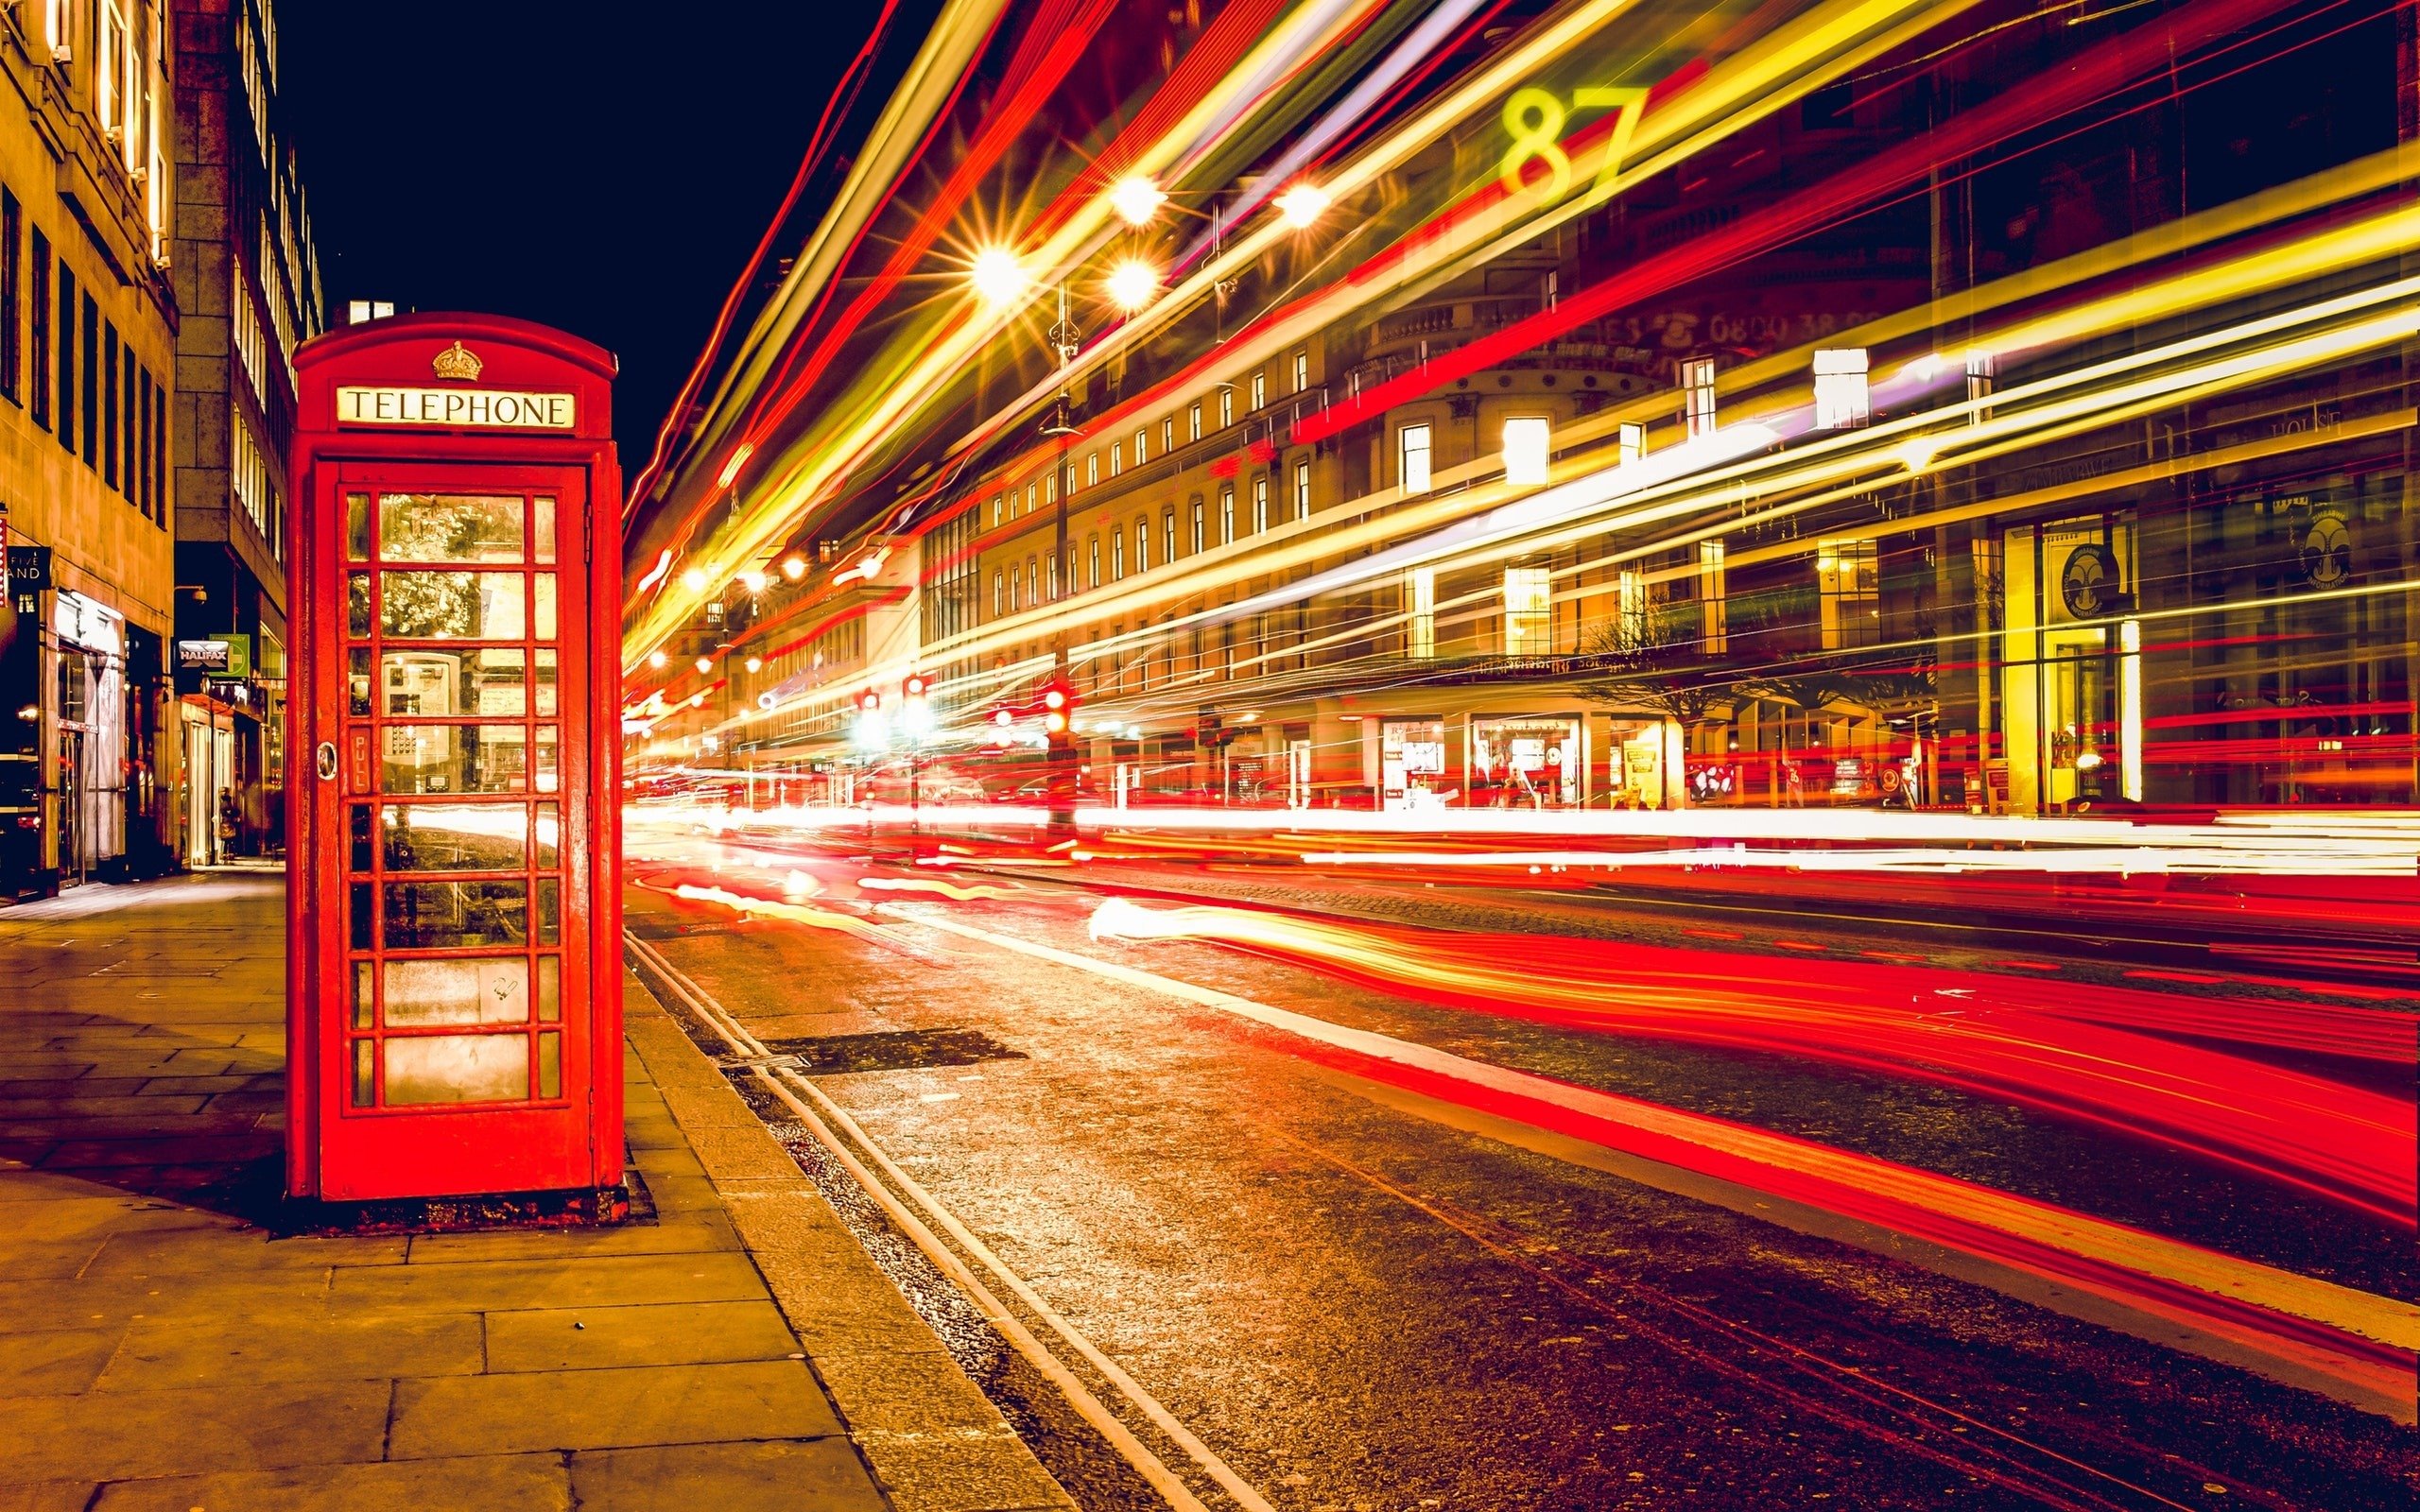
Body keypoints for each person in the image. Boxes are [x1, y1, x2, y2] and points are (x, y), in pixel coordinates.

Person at [215, 788, 240, 858]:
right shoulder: (228, 803)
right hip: (228, 823)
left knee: (226, 840)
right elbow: (232, 812)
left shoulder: (223, 803)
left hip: (225, 822)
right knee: (229, 840)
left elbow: (225, 812)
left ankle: (225, 853)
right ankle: (229, 853)